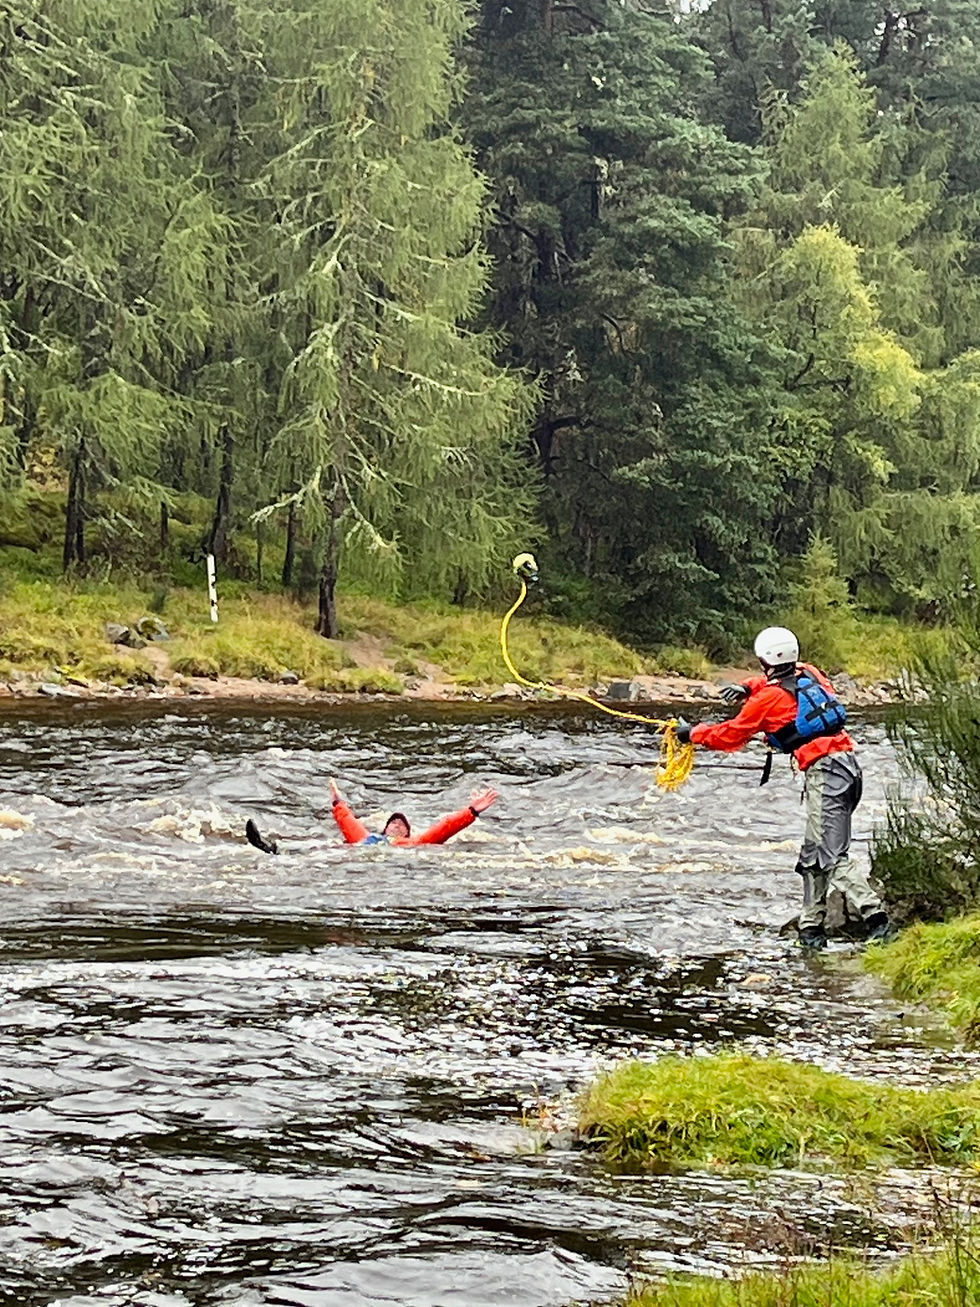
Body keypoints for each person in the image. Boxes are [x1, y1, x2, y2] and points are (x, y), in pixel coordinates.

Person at [674, 626, 891, 950]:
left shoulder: (767, 700)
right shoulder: (811, 673)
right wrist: (745, 687)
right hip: (847, 769)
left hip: (825, 775)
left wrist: (692, 734)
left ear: (764, 659)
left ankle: (878, 922)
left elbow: (732, 734)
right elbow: (779, 681)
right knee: (813, 854)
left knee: (831, 855)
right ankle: (811, 930)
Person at [329, 778, 498, 846]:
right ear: (385, 829)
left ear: (407, 834)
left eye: (401, 825)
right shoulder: (366, 839)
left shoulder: (412, 844)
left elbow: (443, 829)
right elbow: (348, 821)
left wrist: (472, 812)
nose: (396, 825)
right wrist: (338, 801)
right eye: (393, 822)